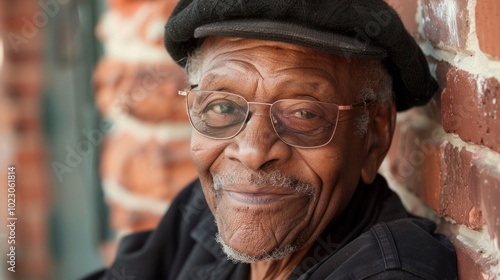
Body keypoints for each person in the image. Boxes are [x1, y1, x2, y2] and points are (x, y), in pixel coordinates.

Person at [84, 0, 458, 279]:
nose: (251, 152)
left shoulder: (384, 272)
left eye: (303, 113)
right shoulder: (203, 210)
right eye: (223, 107)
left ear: (375, 134)